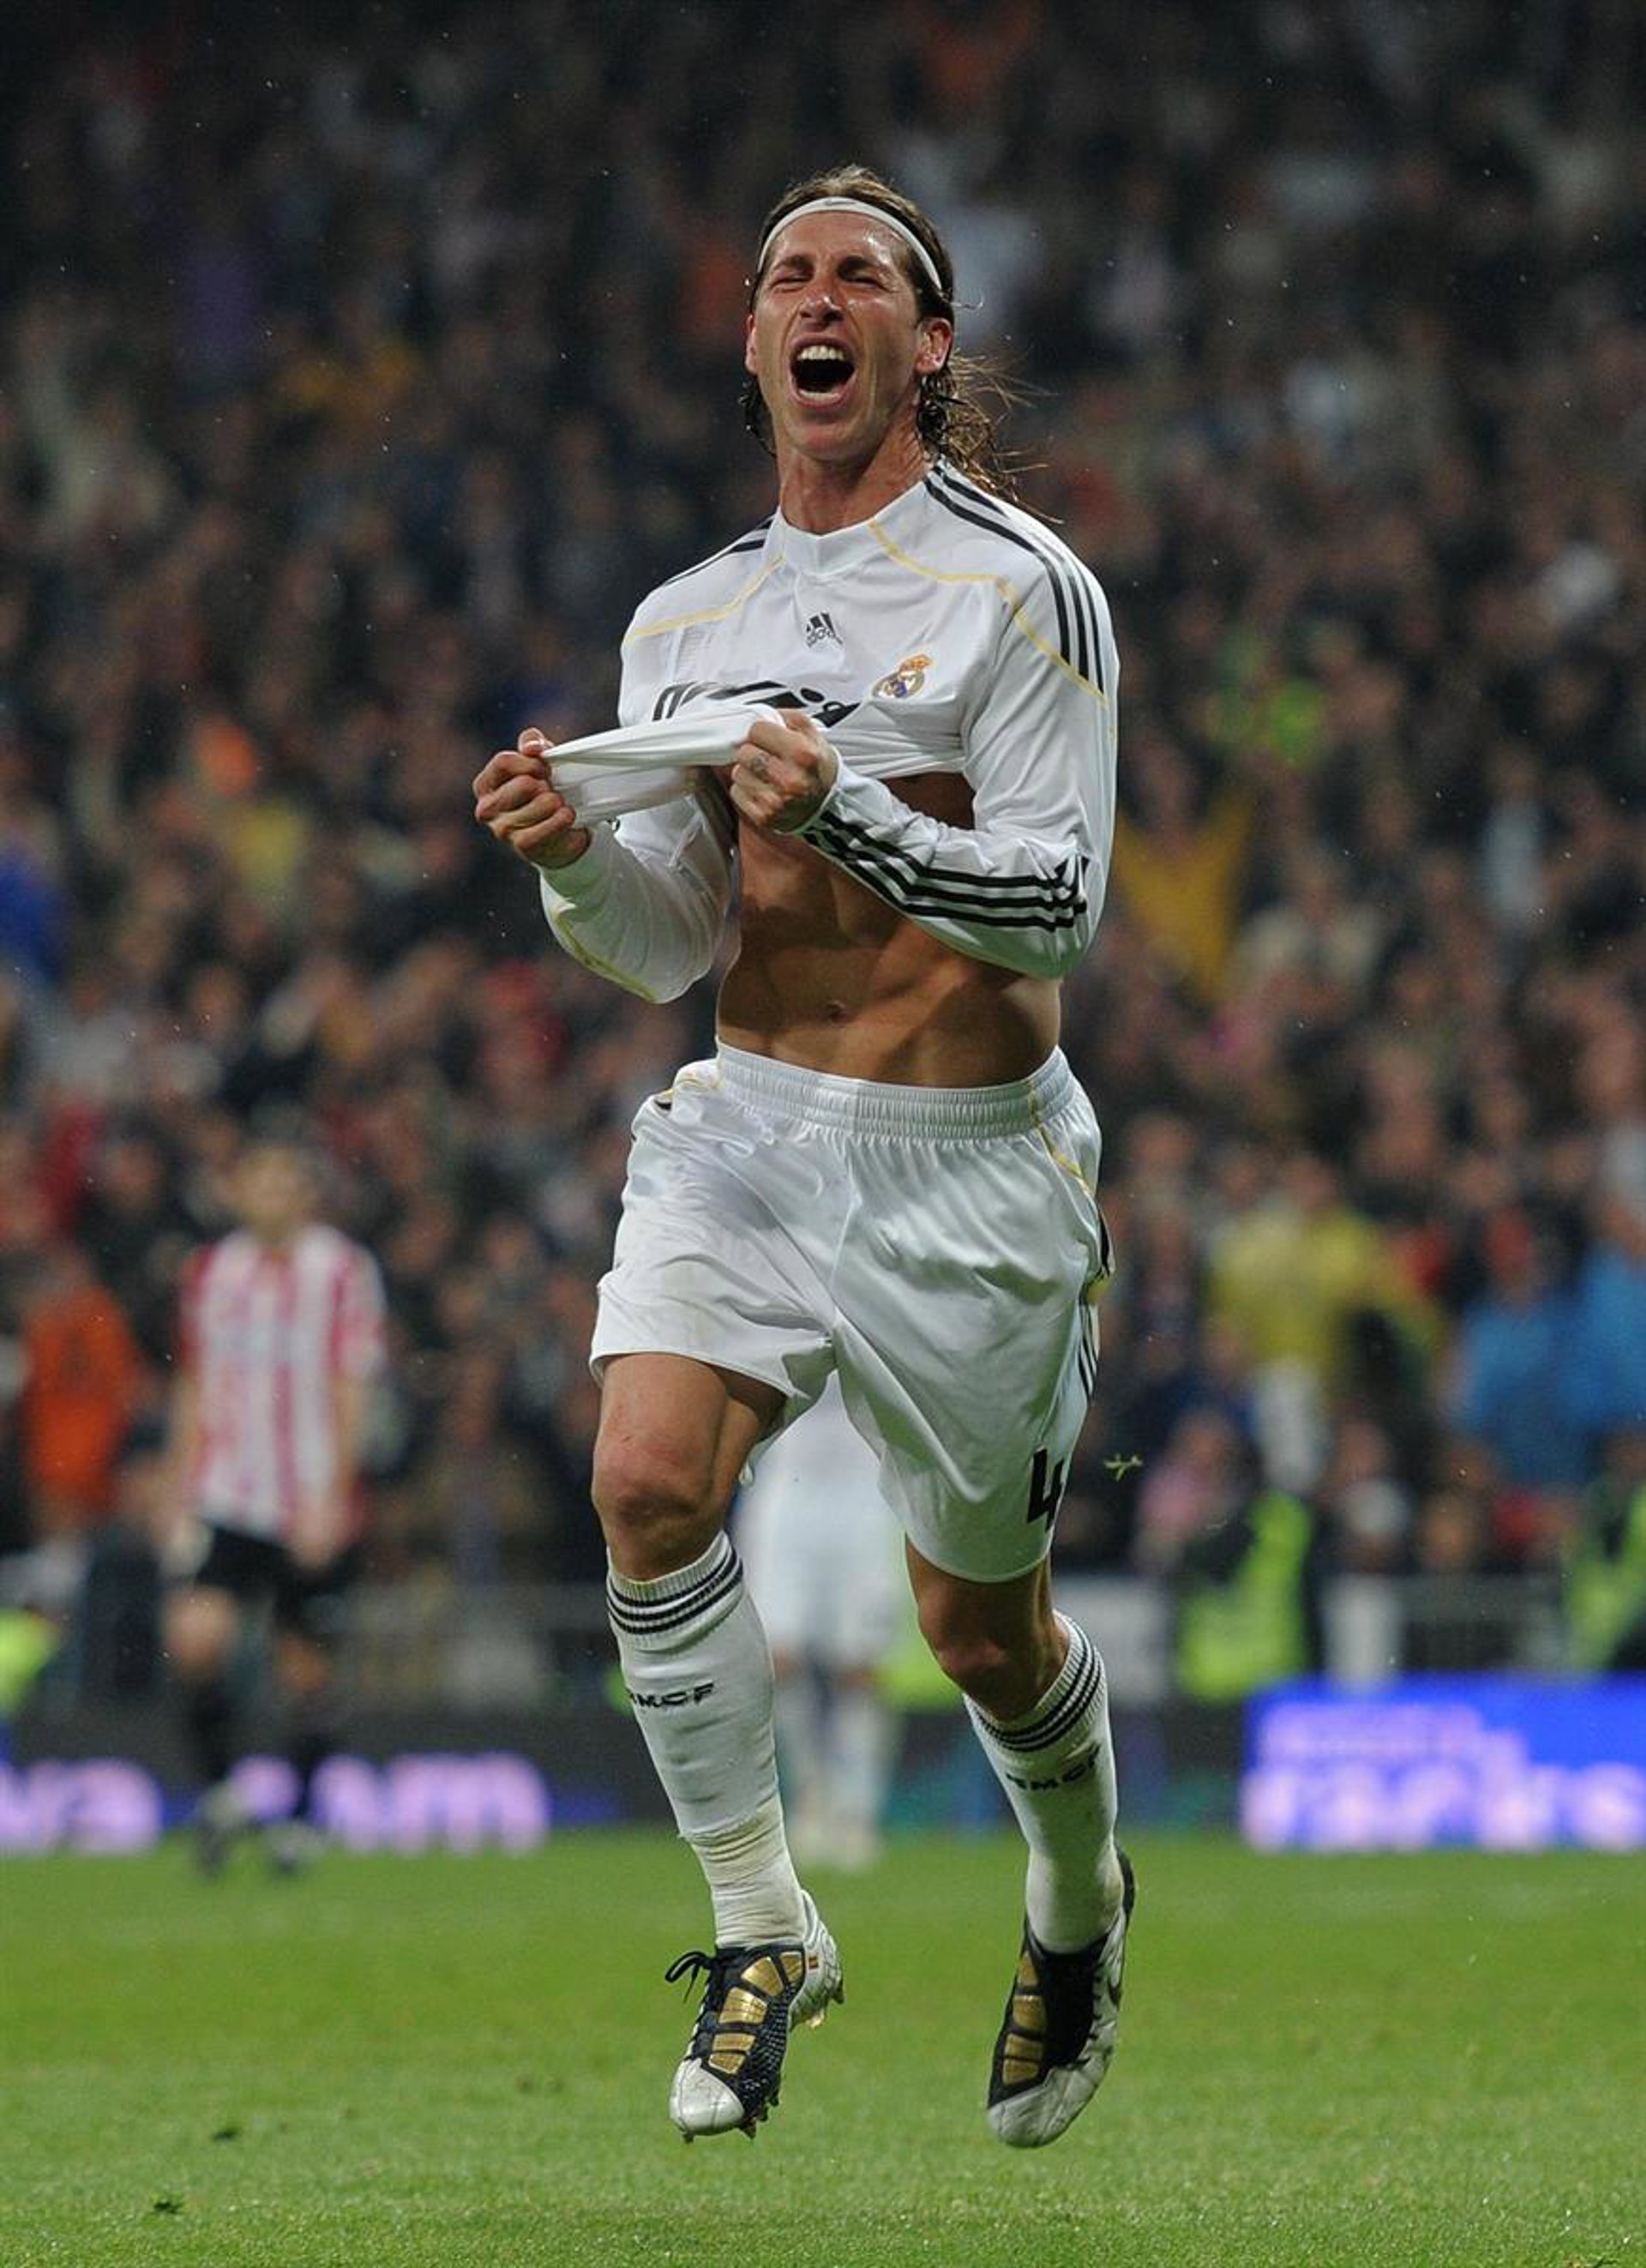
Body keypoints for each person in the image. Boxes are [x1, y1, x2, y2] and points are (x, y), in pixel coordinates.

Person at [474, 165, 1130, 2150]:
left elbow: (1060, 903)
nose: (817, 297)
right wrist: (574, 864)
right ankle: (764, 1923)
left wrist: (850, 812)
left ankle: (1076, 1893)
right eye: (785, 276)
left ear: (926, 345)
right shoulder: (682, 622)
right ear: (755, 340)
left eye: (861, 275)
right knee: (643, 1479)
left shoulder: (1023, 589)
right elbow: (670, 938)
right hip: (749, 1124)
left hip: (967, 1163)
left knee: (979, 1631)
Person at [159, 1135, 387, 1874]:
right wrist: (178, 1486)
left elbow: (352, 1381)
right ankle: (225, 1793)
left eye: (285, 1181)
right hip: (227, 1490)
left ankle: (301, 1817)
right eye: (259, 1180)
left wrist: (336, 1494)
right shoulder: (211, 1271)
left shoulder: (342, 1270)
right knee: (195, 1637)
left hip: (308, 1496)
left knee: (304, 1669)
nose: (272, 1194)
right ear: (238, 1191)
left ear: (305, 1193)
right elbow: (193, 1381)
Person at [734, 1374, 906, 1873]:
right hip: (787, 1488)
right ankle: (811, 1797)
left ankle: (857, 1812)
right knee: (779, 1657)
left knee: (859, 1665)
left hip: (867, 1484)